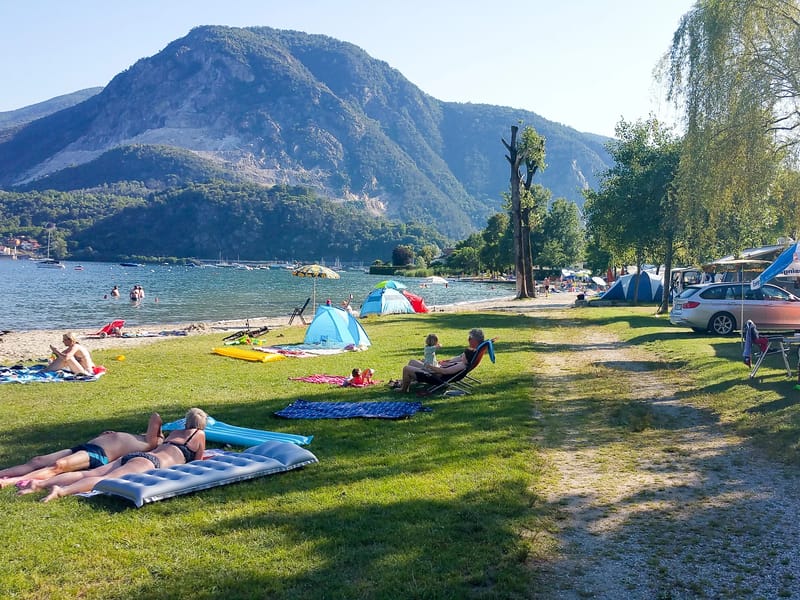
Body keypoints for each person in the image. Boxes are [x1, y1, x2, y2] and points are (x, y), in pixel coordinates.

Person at [40, 408, 208, 502]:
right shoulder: (199, 435)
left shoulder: (175, 432)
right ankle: (62, 491)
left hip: (140, 456)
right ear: (201, 424)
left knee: (91, 473)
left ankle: (39, 484)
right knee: (106, 479)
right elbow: (198, 460)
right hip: (151, 463)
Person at [0, 413, 164, 489]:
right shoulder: (136, 437)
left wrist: (161, 433)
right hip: (86, 447)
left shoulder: (149, 444)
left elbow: (155, 417)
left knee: (59, 466)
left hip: (98, 455)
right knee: (37, 460)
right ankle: (3, 473)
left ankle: (10, 481)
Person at [394, 328, 486, 393]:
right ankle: (406, 382)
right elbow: (449, 364)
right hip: (436, 369)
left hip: (434, 375)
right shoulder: (466, 359)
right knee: (412, 362)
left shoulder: (461, 365)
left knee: (406, 368)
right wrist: (438, 363)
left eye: (463, 355)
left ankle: (404, 389)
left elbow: (444, 371)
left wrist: (430, 366)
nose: (462, 356)